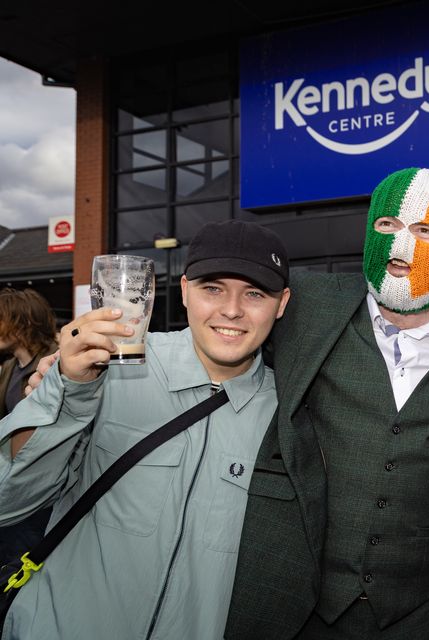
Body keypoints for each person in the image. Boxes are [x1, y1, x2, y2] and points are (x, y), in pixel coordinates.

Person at [224, 167, 429, 640]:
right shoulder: (307, 305)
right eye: (388, 225)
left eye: (425, 230)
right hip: (301, 605)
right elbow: (220, 335)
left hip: (421, 614)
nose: (401, 247)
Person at [0, 220, 291, 638]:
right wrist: (64, 389)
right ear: (185, 289)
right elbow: (9, 501)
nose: (232, 309)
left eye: (255, 294)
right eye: (213, 288)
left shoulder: (288, 414)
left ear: (281, 304)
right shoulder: (108, 367)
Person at [0, 288, 59, 571]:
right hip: (13, 484)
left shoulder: (54, 363)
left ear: (23, 322)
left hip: (42, 493)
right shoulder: (10, 367)